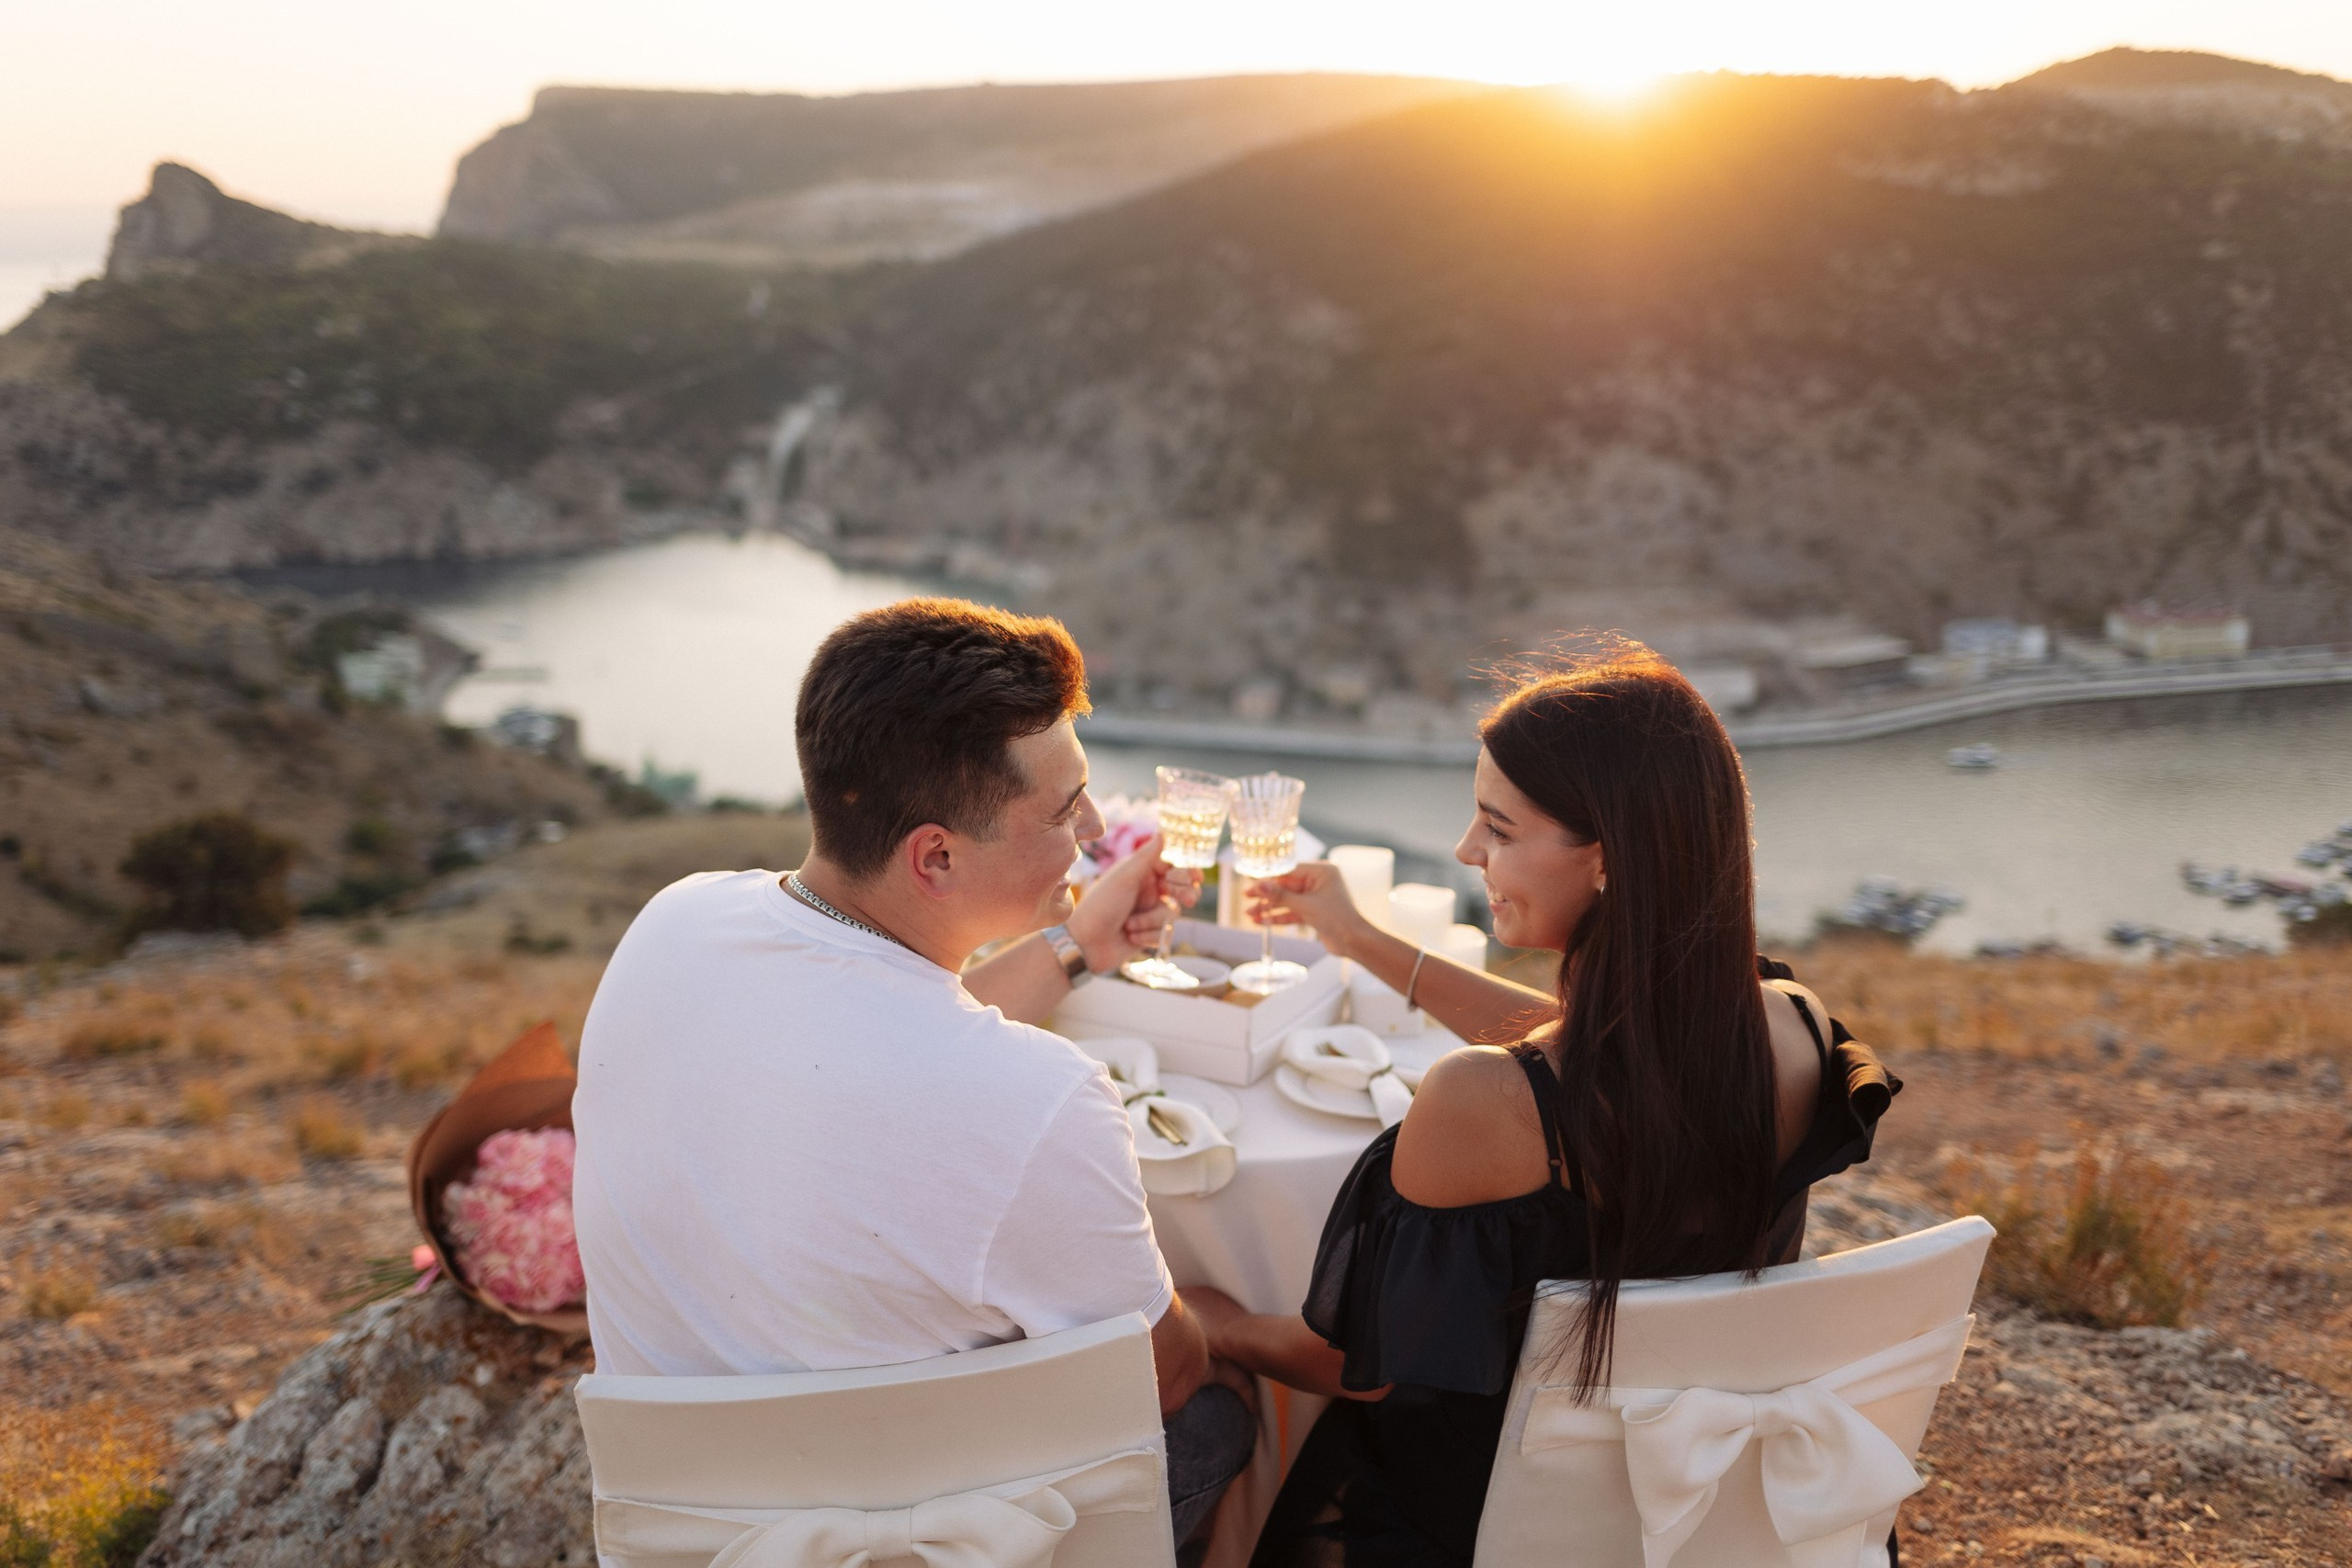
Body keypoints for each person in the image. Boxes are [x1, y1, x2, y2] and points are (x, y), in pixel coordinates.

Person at [1185, 649, 1902, 1568]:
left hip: (1494, 1515)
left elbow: (1367, 1370)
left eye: (1497, 827)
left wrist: (1221, 1321)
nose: (1465, 852)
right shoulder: (1787, 1023)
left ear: (1605, 859)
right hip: (1676, 1496)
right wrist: (1359, 939)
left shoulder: (1481, 1102)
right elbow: (1594, 1052)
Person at [571, 597, 1254, 1549]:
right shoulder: (1042, 1103)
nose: (1096, 828)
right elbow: (1163, 1375)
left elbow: (870, 1053)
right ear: (934, 854)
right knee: (1227, 1407)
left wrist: (1074, 944)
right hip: (927, 1539)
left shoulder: (671, 925)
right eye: (1064, 809)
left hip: (693, 1531)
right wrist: (1225, 1318)